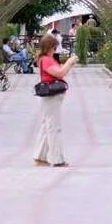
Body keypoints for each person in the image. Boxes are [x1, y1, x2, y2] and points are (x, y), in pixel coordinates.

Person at [33, 34, 78, 167]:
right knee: (54, 127)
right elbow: (59, 73)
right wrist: (70, 62)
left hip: (51, 97)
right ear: (49, 47)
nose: (55, 49)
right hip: (51, 97)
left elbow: (58, 71)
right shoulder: (46, 59)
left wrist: (66, 65)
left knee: (46, 126)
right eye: (54, 47)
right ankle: (56, 159)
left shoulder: (45, 58)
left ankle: (40, 157)